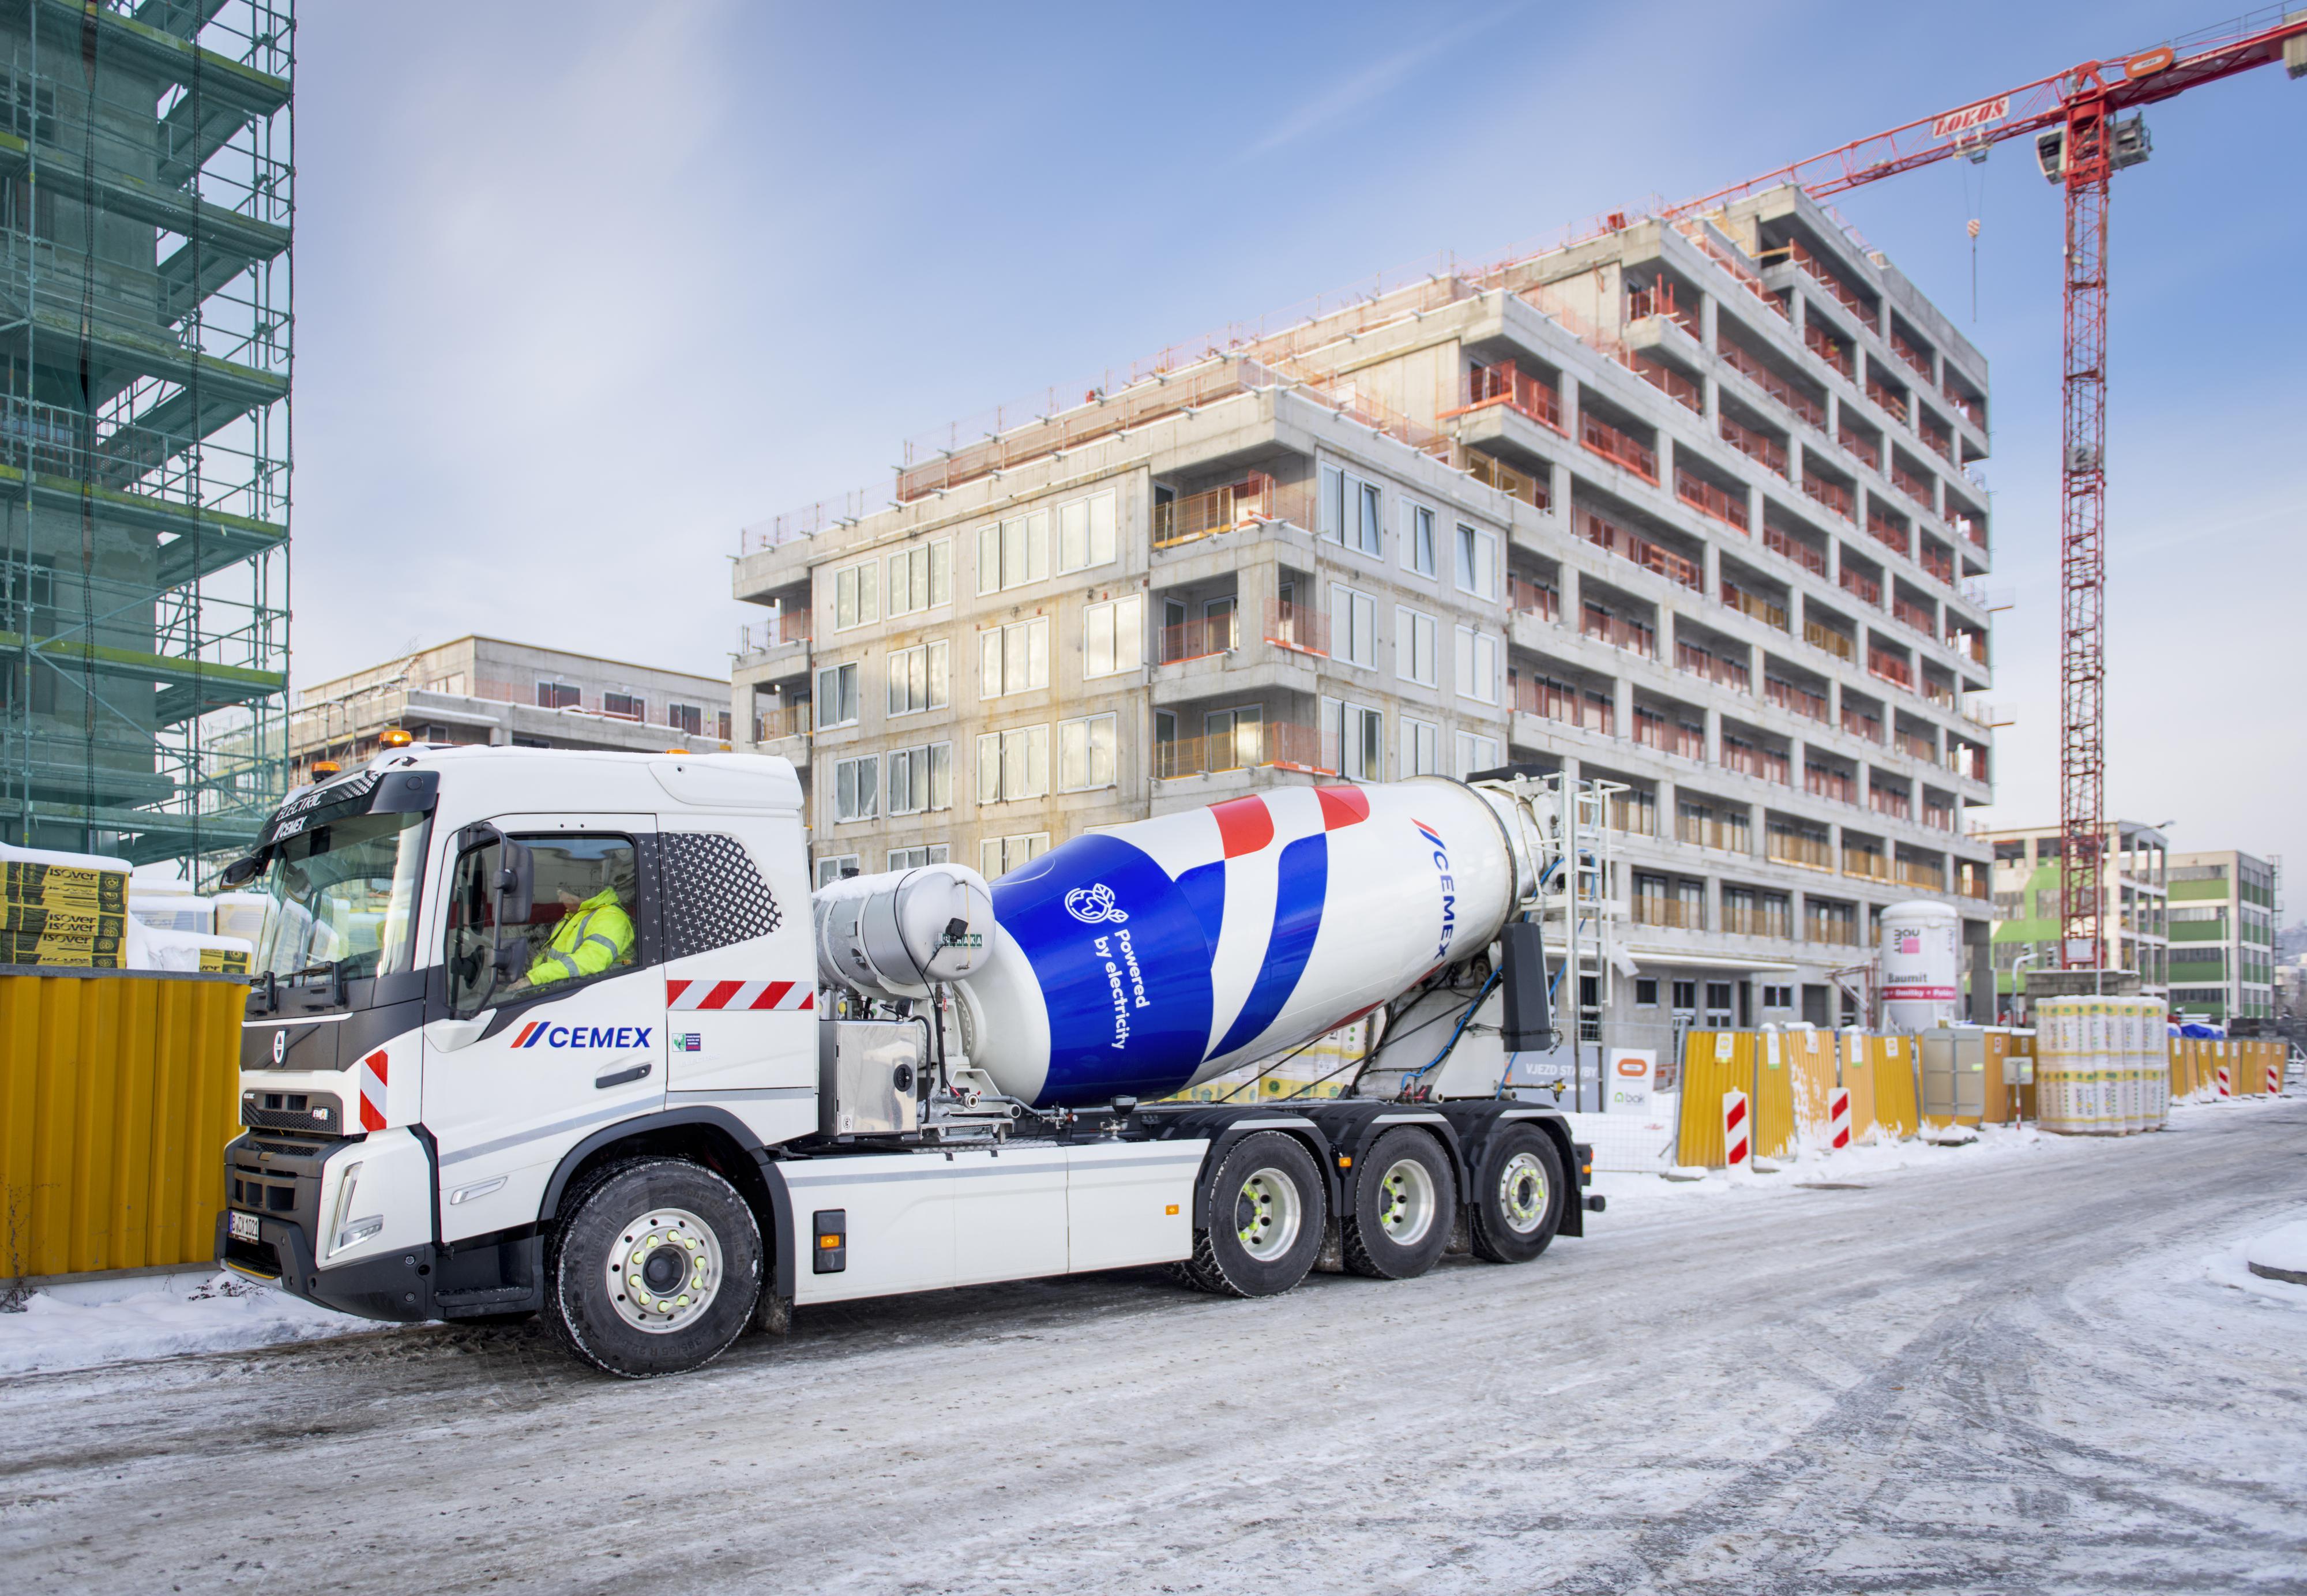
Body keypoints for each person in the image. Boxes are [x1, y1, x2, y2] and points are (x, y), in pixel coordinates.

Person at [510, 855, 636, 992]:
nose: (559, 899)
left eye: (561, 892)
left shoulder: (611, 918)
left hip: (589, 995)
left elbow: (591, 960)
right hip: (556, 992)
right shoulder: (576, 915)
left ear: (576, 893)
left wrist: (536, 978)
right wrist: (529, 978)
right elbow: (547, 955)